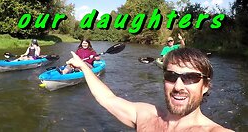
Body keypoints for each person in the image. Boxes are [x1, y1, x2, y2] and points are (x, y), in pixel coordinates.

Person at [66, 48, 233, 131]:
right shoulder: (146, 115)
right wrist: (83, 66)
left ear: (205, 86)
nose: (178, 86)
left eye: (191, 78)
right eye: (171, 76)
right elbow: (108, 99)